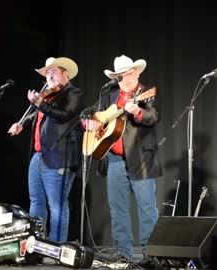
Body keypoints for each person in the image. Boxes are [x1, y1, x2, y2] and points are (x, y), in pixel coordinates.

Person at [84, 55, 161, 263]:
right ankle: (123, 253)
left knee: (147, 209)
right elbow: (90, 114)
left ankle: (150, 255)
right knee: (118, 209)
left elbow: (153, 116)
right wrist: (89, 124)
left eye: (129, 74)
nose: (125, 79)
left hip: (141, 159)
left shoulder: (146, 93)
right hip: (115, 160)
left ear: (137, 72)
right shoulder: (110, 95)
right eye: (121, 76)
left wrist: (137, 111)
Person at [8, 57, 84, 242]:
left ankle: (56, 248)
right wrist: (22, 124)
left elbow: (64, 115)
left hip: (59, 156)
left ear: (65, 73)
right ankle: (37, 246)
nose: (50, 76)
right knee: (36, 202)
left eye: (54, 71)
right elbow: (38, 115)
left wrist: (40, 103)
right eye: (47, 73)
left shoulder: (73, 93)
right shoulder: (48, 95)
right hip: (38, 156)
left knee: (57, 205)